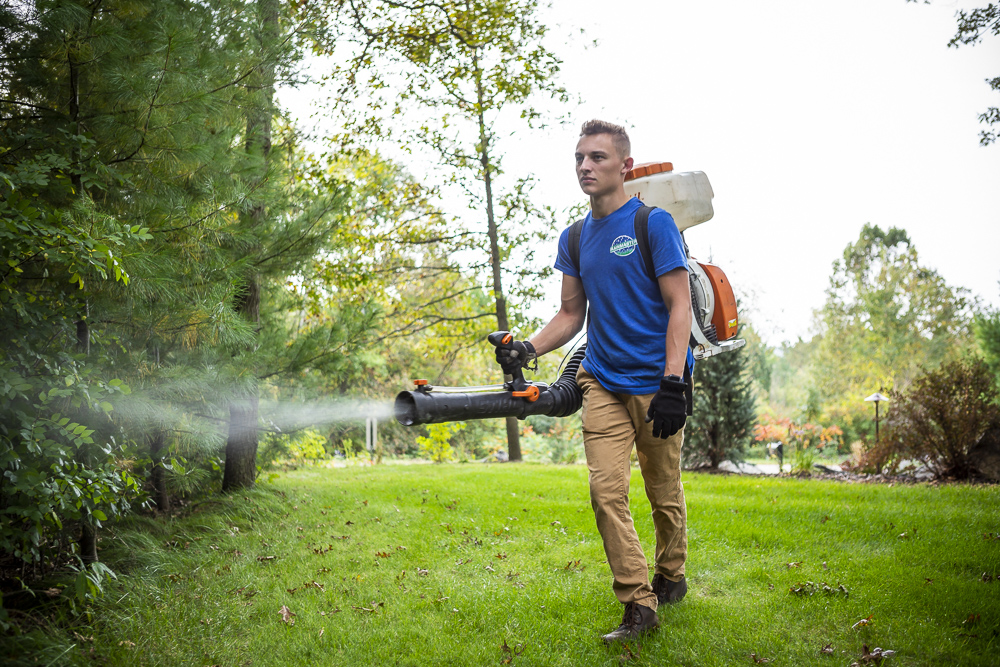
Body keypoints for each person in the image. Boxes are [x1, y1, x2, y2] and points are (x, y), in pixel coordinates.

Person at [496, 120, 694, 642]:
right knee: (606, 492)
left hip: (657, 382)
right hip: (601, 378)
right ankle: (639, 603)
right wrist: (528, 348)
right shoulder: (577, 236)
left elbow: (681, 306)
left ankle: (671, 574)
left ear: (624, 166)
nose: (586, 166)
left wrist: (674, 382)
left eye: (598, 158)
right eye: (580, 157)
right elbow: (570, 313)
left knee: (663, 491)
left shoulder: (653, 225)